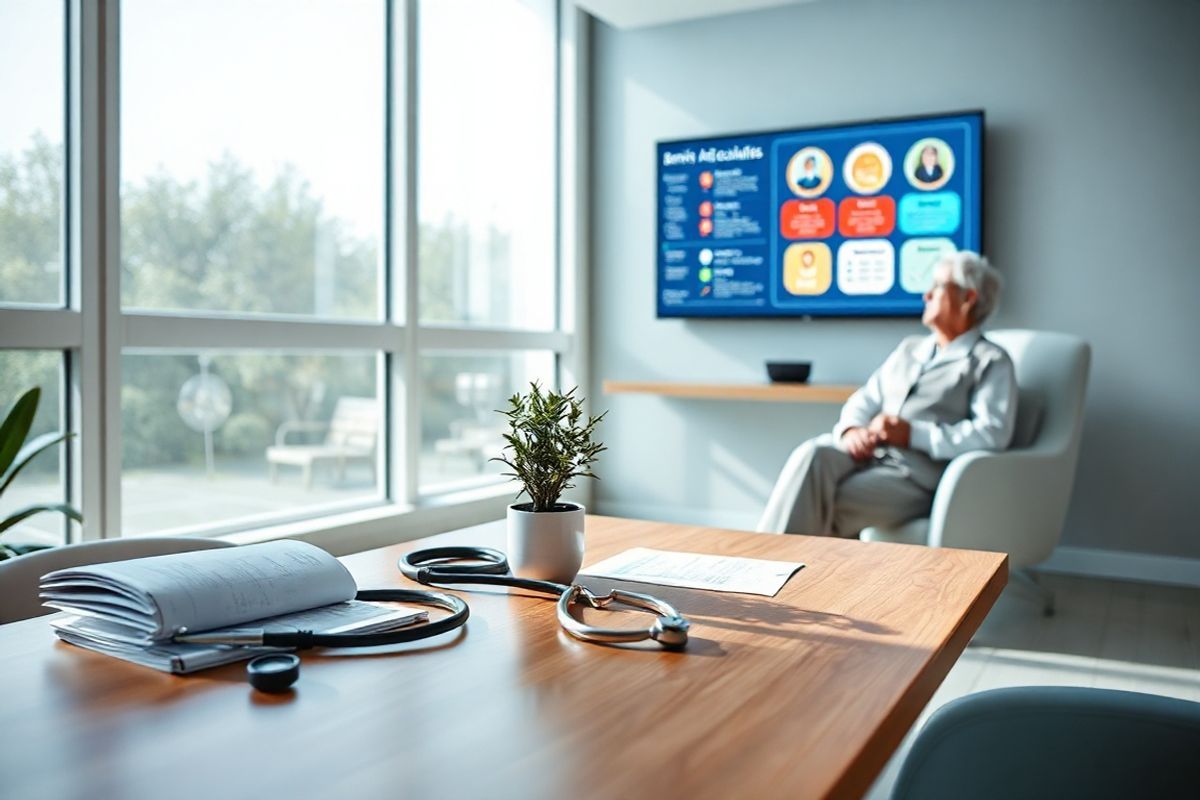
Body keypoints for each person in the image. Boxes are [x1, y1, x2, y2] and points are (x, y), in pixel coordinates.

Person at [757, 251, 1017, 537]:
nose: (926, 295)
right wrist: (853, 430)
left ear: (968, 298)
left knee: (823, 502)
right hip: (870, 455)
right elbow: (865, 399)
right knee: (812, 453)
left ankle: (770, 571)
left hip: (917, 478)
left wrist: (913, 434)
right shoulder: (910, 349)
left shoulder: (990, 360)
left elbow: (992, 434)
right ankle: (770, 565)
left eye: (938, 286)